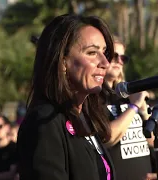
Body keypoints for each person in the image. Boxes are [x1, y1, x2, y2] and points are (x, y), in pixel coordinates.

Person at [17, 14, 116, 180]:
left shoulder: (84, 116)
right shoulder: (45, 121)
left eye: (104, 52)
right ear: (63, 62)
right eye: (92, 52)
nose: (105, 63)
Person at [104, 36, 153, 180]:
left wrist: (144, 111)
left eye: (123, 58)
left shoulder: (130, 93)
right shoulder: (95, 97)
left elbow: (152, 140)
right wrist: (134, 106)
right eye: (114, 55)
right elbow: (108, 138)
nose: (119, 61)